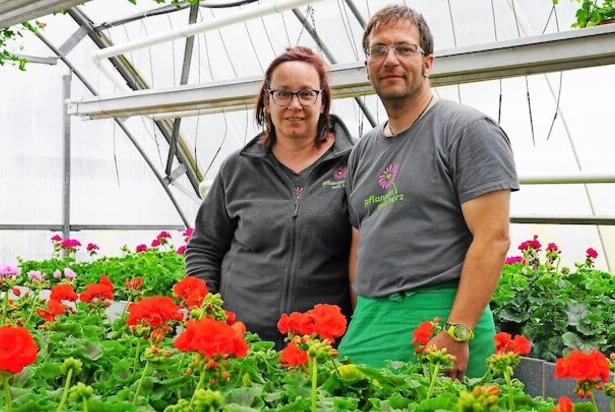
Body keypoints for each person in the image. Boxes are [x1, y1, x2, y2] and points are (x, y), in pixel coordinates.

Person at [338, 6, 519, 378]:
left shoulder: (466, 130)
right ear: (367, 65)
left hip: (440, 318)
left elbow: (494, 238)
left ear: (428, 62)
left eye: (404, 49)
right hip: (370, 322)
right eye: (378, 50)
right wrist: (361, 313)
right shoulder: (363, 150)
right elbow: (362, 241)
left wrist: (457, 331)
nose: (390, 60)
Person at [186, 47, 355, 348]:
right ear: (267, 99)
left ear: (323, 100)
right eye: (283, 94)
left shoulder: (355, 164)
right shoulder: (238, 168)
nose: (295, 105)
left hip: (320, 348)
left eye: (306, 94)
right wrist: (207, 315)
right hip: (241, 345)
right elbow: (204, 248)